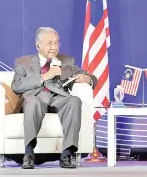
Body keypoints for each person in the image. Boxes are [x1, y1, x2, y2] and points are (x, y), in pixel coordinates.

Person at [11, 27, 97, 169]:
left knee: (74, 101)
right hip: (35, 97)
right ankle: (29, 153)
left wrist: (87, 78)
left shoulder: (66, 61)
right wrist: (45, 76)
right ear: (38, 46)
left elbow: (91, 77)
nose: (54, 47)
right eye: (49, 43)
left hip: (59, 97)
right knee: (33, 102)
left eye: (57, 43)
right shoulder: (23, 62)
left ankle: (67, 153)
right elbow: (16, 86)